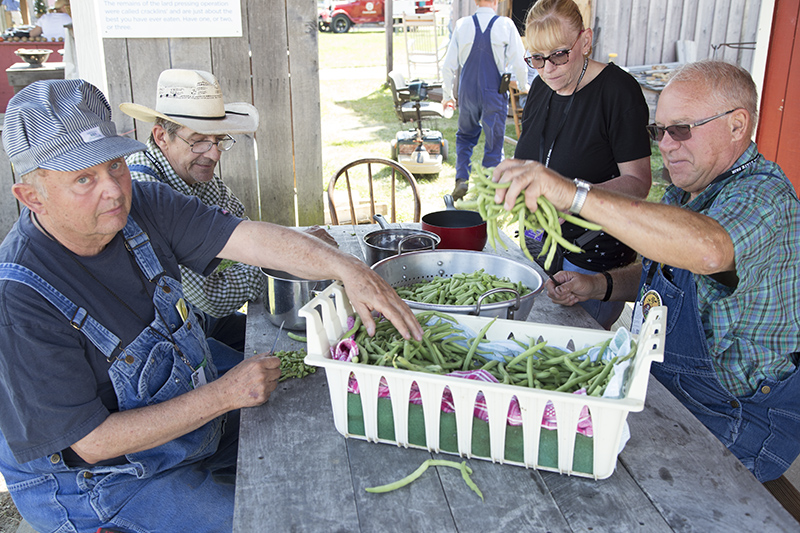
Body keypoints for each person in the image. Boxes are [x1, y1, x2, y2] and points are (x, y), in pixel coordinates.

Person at [0, 78, 423, 532]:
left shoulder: (140, 204)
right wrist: (224, 395)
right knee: (271, 522)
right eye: (84, 177)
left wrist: (349, 269)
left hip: (184, 417)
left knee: (319, 420)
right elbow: (91, 442)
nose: (114, 190)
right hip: (102, 483)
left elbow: (252, 238)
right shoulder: (20, 298)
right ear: (32, 197)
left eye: (115, 165)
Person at [493, 59, 800, 483]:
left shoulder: (766, 198)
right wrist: (598, 285)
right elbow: (671, 275)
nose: (667, 145)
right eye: (659, 132)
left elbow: (709, 250)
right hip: (666, 391)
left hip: (733, 418)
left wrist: (572, 193)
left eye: (682, 129)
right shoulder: (687, 193)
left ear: (736, 125)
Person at [514, 0, 652, 329]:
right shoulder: (540, 87)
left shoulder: (618, 92)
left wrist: (572, 195)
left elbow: (638, 182)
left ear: (585, 41)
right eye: (536, 58)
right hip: (538, 243)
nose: (547, 68)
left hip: (592, 257)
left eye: (559, 54)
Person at [441, 0, 528, 201]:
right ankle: (489, 189)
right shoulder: (505, 25)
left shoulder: (462, 25)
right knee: (494, 141)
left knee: (465, 136)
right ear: (496, 2)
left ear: (475, 2)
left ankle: (462, 178)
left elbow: (448, 66)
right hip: (494, 91)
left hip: (468, 91)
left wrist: (447, 96)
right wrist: (523, 86)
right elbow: (519, 61)